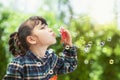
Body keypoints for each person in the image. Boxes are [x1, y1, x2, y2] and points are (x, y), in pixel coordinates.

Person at [3, 16, 77, 80]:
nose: (50, 29)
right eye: (42, 28)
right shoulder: (19, 64)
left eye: (47, 26)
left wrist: (68, 44)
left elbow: (69, 65)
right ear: (32, 39)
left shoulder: (51, 58)